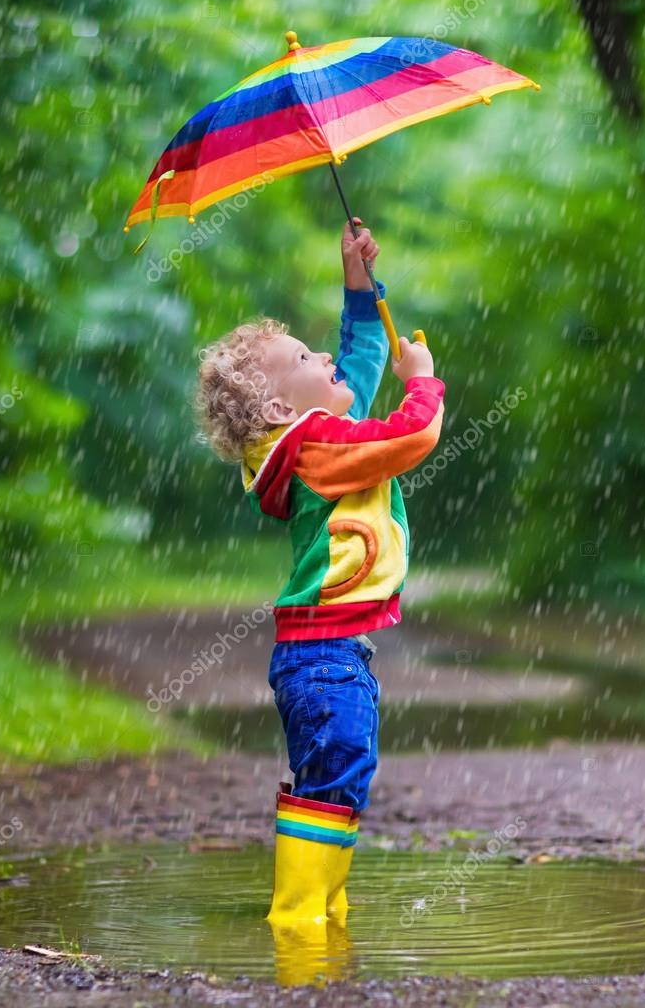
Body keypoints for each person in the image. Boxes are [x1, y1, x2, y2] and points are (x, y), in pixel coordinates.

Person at [194, 219, 444, 933]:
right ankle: (300, 915)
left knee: (341, 769)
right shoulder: (318, 448)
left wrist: (358, 282)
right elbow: (407, 436)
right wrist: (423, 386)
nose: (325, 353)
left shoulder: (319, 429)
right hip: (323, 656)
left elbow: (361, 357)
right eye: (305, 356)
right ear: (281, 410)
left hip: (329, 655)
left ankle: (322, 904)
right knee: (337, 768)